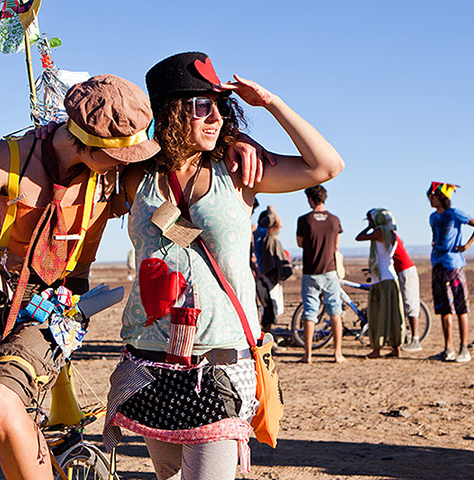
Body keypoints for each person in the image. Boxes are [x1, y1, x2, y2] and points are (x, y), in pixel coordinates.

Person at [0, 72, 262, 480]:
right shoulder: (7, 159)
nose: (133, 163)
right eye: (122, 156)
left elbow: (183, 160)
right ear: (89, 145)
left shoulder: (118, 168)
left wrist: (236, 142)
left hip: (55, 305)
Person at [103, 51, 344, 480]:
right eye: (200, 106)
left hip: (219, 368)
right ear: (171, 112)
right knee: (168, 477)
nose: (215, 117)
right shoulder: (136, 177)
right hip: (150, 362)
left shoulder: (237, 170)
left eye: (220, 105)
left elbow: (326, 166)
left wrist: (268, 102)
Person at [427, 182, 474, 363]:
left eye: (433, 195)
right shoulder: (432, 218)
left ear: (441, 197)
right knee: (444, 309)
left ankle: (464, 349)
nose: (430, 199)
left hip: (454, 266)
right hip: (438, 265)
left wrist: (466, 245)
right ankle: (448, 349)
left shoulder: (455, 214)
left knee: (460, 308)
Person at [296, 185, 345, 363]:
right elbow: (336, 246)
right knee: (335, 312)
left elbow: (300, 243)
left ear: (310, 199)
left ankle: (308, 354)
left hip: (311, 271)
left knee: (310, 313)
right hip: (330, 270)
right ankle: (338, 353)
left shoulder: (304, 220)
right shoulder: (334, 220)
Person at [356, 208, 405, 358]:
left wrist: (371, 226)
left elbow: (359, 237)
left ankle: (377, 348)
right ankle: (396, 347)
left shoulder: (379, 233)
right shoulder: (391, 233)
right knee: (393, 314)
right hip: (390, 278)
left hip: (382, 280)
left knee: (378, 314)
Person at [254, 207, 290, 332]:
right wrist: (273, 210)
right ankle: (265, 336)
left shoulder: (254, 233)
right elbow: (279, 224)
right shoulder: (266, 232)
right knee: (270, 307)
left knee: (265, 307)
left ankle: (263, 334)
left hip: (258, 273)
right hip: (266, 274)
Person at [393, 231, 423, 352]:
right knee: (404, 303)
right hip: (401, 271)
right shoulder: (388, 235)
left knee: (410, 303)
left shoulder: (389, 235)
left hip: (406, 270)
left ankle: (415, 339)